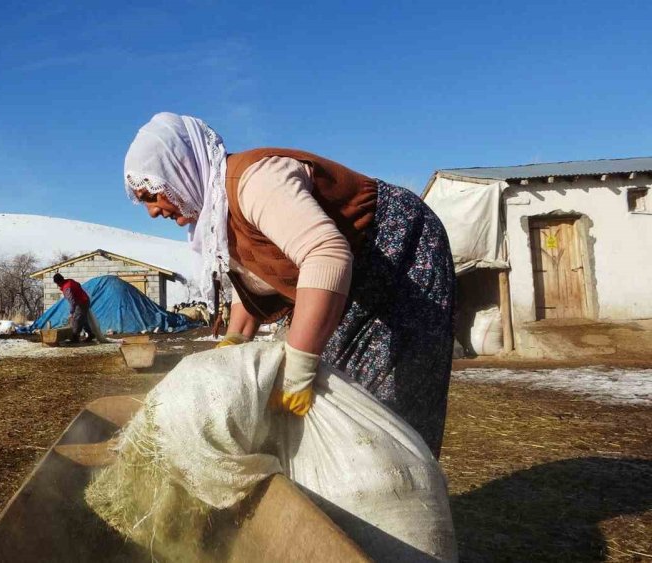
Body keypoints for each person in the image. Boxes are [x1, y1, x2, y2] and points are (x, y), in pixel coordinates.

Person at [123, 112, 455, 457]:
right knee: (334, 390)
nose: (151, 212)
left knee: (379, 400)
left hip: (396, 250)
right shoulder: (217, 214)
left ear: (180, 172)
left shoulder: (255, 181)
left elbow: (326, 254)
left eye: (152, 195)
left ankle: (398, 486)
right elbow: (251, 277)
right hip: (350, 277)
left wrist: (299, 365)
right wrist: (236, 340)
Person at [54, 273, 95, 343]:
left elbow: (72, 301)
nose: (57, 285)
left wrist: (71, 312)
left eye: (57, 283)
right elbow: (78, 285)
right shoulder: (70, 281)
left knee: (76, 319)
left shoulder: (67, 288)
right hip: (85, 300)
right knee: (83, 319)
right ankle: (90, 334)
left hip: (81, 303)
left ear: (59, 282)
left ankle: (75, 337)